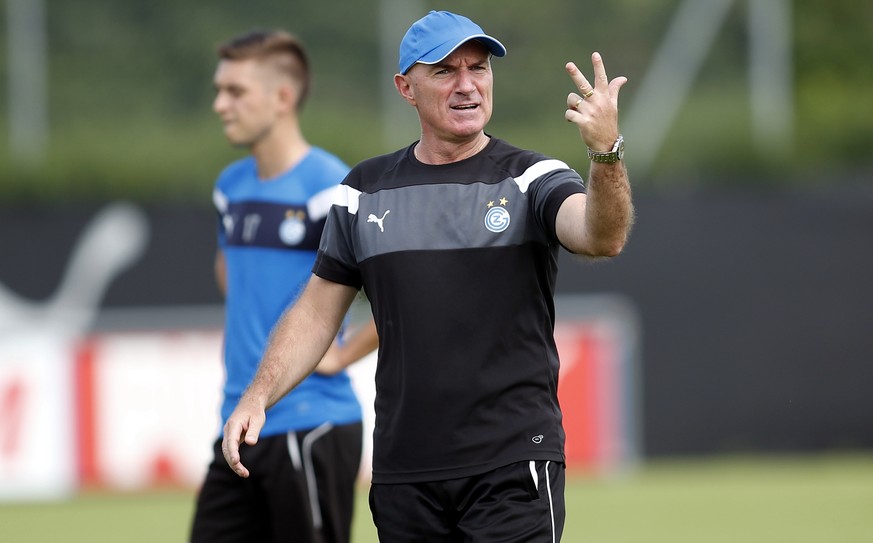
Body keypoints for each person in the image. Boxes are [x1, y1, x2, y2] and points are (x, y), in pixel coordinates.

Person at [222, 10, 633, 542]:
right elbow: (316, 311)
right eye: (445, 71)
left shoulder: (532, 178)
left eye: (479, 68)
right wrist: (258, 395)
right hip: (404, 476)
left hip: (511, 466)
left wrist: (605, 154)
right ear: (406, 87)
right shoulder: (362, 191)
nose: (467, 85)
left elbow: (603, 236)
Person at [190, 29, 379, 543]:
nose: (219, 104)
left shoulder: (331, 190)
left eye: (235, 91)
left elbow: (400, 297)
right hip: (238, 426)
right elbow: (230, 271)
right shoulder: (230, 188)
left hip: (310, 423)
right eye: (219, 90)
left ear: (282, 97)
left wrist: (340, 355)